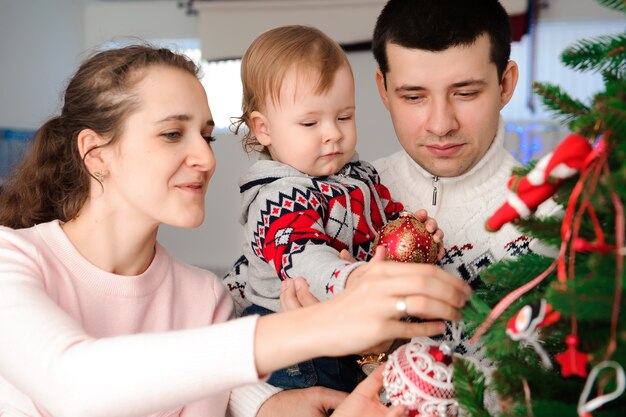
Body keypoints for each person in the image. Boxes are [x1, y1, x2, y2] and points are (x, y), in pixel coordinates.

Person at [0, 44, 471, 417]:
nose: (207, 158)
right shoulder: (13, 259)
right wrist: (317, 327)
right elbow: (75, 385)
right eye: (171, 133)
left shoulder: (205, 298)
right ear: (95, 152)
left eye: (205, 135)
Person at [231, 25, 444, 393]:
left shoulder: (358, 176)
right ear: (264, 129)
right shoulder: (277, 196)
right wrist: (348, 279)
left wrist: (413, 232)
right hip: (297, 349)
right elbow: (302, 255)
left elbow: (384, 222)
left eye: (344, 117)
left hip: (350, 329)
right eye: (311, 123)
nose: (332, 133)